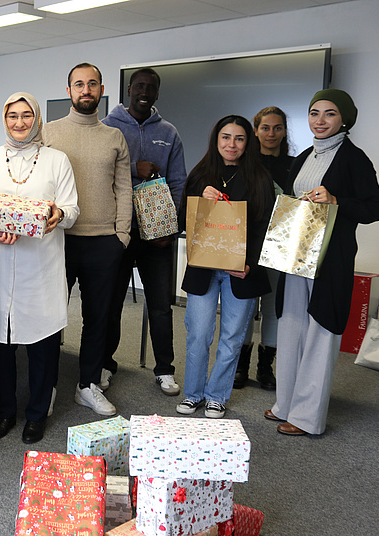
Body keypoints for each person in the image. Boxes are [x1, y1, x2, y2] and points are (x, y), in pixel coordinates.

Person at [268, 90, 379, 436]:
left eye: (329, 114)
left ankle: (307, 417)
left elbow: (374, 209)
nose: (319, 120)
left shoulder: (355, 159)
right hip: (296, 254)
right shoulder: (303, 156)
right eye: (314, 113)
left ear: (344, 119)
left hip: (330, 260)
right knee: (290, 326)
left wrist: (336, 200)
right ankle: (284, 404)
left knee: (320, 331)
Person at [0, 92, 78, 444]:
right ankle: (4, 412)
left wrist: (57, 215)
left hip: (41, 265)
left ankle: (37, 414)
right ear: (4, 119)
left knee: (43, 346)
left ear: (37, 119)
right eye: (12, 116)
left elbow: (71, 209)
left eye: (26, 115)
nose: (19, 123)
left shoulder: (57, 160)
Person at [43, 63, 130, 415]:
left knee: (98, 317)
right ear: (69, 91)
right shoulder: (48, 133)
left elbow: (124, 189)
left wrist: (121, 235)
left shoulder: (113, 137)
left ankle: (88, 384)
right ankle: (44, 387)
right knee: (50, 317)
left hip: (103, 242)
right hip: (57, 242)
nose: (86, 90)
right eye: (79, 84)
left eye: (92, 84)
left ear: (101, 89)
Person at [176, 115, 274, 419]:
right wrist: (198, 198)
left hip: (241, 272)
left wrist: (250, 265)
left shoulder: (260, 178)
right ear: (216, 140)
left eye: (240, 138)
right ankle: (192, 394)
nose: (232, 144)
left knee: (232, 337)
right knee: (199, 334)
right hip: (204, 270)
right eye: (226, 137)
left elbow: (266, 228)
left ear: (248, 143)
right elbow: (182, 220)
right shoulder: (200, 174)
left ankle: (216, 395)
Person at [103, 67, 187, 397]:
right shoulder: (108, 128)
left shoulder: (169, 133)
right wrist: (131, 168)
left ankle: (165, 369)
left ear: (157, 94)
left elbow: (178, 181)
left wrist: (169, 227)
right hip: (119, 232)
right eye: (139, 86)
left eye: (151, 88)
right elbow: (98, 175)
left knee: (160, 306)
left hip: (157, 236)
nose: (145, 91)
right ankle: (106, 363)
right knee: (111, 303)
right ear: (128, 89)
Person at [233, 106, 295, 390]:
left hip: (281, 246)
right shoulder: (244, 163)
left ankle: (265, 368)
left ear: (285, 131)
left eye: (278, 128)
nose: (272, 133)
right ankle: (240, 366)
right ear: (255, 131)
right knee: (245, 305)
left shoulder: (297, 165)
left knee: (273, 307)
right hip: (247, 242)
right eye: (265, 128)